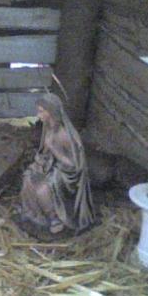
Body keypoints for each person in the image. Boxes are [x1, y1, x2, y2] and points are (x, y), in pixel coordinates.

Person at [18, 93, 95, 238]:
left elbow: (74, 165)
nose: (38, 115)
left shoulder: (65, 135)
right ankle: (33, 212)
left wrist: (54, 149)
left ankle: (55, 218)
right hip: (51, 166)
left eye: (41, 111)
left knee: (43, 189)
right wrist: (39, 162)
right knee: (28, 177)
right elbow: (45, 153)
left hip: (67, 175)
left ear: (51, 112)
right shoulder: (48, 128)